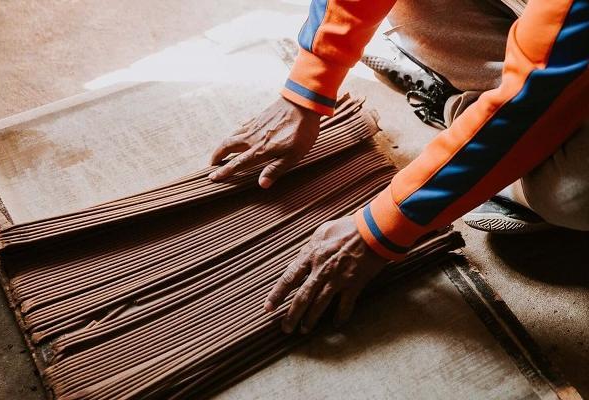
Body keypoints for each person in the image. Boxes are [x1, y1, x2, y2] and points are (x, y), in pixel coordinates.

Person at [209, 0, 589, 334]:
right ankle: (479, 125)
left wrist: (385, 226)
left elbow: (529, 102)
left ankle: (475, 126)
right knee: (411, 10)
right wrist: (309, 84)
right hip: (551, 35)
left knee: (573, 195)